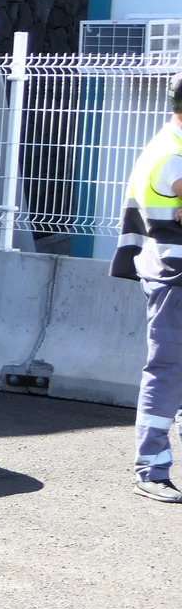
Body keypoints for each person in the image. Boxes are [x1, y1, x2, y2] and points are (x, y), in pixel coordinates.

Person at [112, 70, 182, 502]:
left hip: (168, 272)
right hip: (174, 276)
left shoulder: (168, 146)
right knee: (168, 369)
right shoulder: (170, 156)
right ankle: (152, 469)